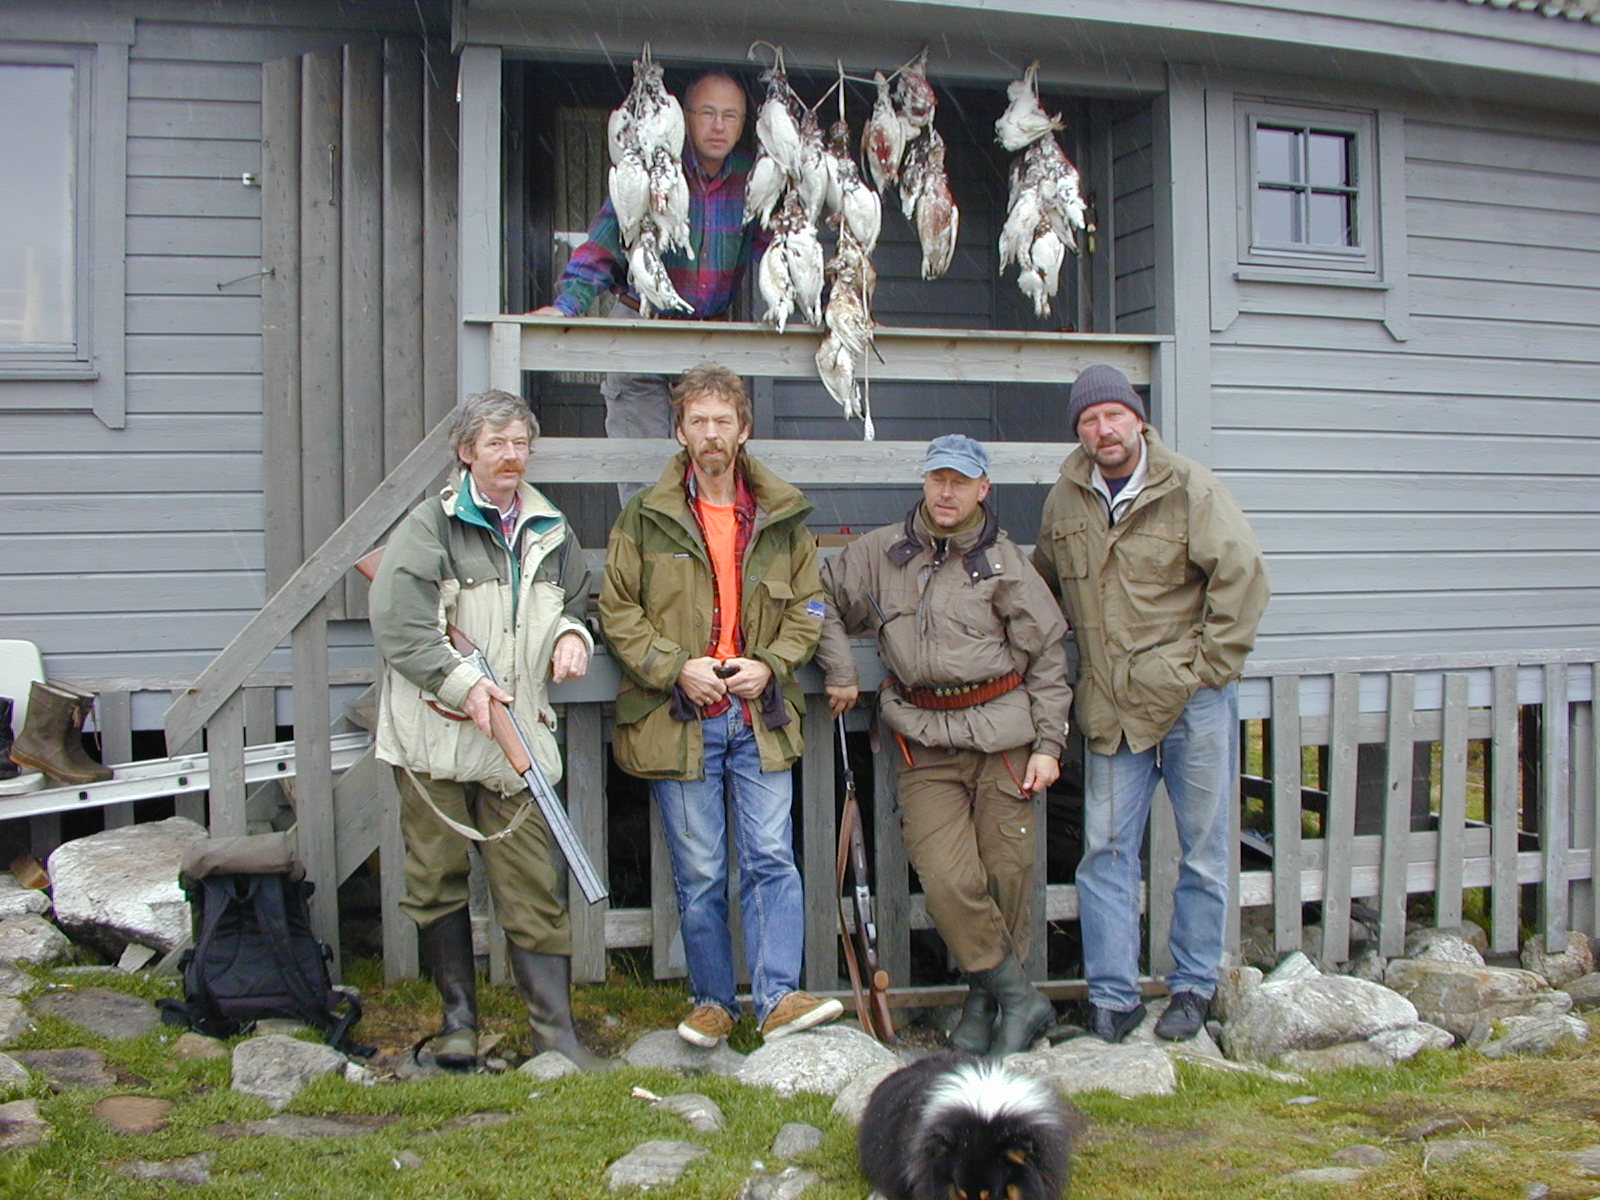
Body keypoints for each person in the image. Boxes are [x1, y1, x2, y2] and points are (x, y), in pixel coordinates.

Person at [599, 361, 842, 1046]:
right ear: (679, 429)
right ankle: (712, 1000)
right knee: (701, 868)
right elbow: (617, 612)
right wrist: (678, 667)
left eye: (723, 421)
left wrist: (771, 664)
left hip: (758, 718)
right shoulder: (645, 517)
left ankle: (777, 999)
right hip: (683, 720)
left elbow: (810, 606)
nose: (711, 434)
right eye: (698, 421)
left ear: (744, 429)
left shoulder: (783, 516)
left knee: (771, 857)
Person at [369, 389, 607, 1071]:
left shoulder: (550, 528)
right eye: (497, 443)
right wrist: (462, 685)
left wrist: (571, 637)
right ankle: (456, 1027)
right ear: (466, 452)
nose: (512, 456)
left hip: (516, 741)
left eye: (521, 444)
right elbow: (402, 627)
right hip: (436, 739)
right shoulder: (429, 528)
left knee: (534, 881)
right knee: (437, 879)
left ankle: (555, 1037)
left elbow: (576, 603)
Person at [1032, 364, 1270, 1044]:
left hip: (1192, 704)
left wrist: (1206, 671)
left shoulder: (1190, 487)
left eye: (1112, 415)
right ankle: (1112, 997)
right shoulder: (1067, 499)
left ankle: (1193, 986)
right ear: (1079, 432)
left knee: (1202, 849)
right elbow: (1043, 588)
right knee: (1104, 852)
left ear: (1137, 419)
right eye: (1088, 421)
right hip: (1109, 706)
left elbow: (1243, 578)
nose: (1102, 430)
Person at [815, 435, 1073, 1057]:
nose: (947, 492)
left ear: (984, 488)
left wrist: (1050, 744)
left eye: (961, 481)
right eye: (938, 480)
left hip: (1002, 737)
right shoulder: (879, 552)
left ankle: (987, 1007)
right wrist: (841, 668)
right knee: (949, 879)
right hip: (923, 739)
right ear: (925, 483)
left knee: (1006, 875)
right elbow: (812, 595)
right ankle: (1020, 998)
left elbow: (1047, 658)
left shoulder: (1009, 563)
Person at [532, 71, 766, 500]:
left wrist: (833, 305)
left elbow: (779, 254)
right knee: (642, 473)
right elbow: (604, 244)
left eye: (730, 116)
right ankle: (647, 566)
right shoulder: (654, 172)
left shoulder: (751, 180)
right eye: (708, 113)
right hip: (639, 324)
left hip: (707, 331)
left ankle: (703, 565)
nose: (719, 126)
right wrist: (567, 306)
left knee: (711, 466)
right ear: (684, 117)